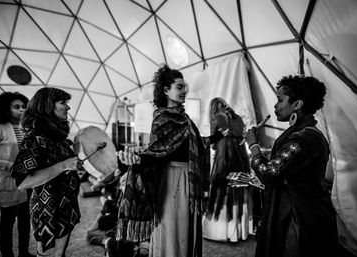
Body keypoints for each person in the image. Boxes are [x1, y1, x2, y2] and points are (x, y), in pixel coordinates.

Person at [116, 64, 227, 257]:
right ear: (166, 90)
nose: (184, 91)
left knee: (187, 228)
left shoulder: (185, 119)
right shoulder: (162, 118)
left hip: (189, 182)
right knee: (174, 228)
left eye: (184, 87)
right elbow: (156, 153)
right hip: (173, 182)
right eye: (179, 87)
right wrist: (135, 159)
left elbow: (196, 144)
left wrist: (216, 136)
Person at [245, 75, 338, 257]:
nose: (275, 106)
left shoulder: (304, 138)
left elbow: (269, 172)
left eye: (280, 100)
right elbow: (286, 172)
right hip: (301, 212)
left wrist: (254, 145)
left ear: (297, 104)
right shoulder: (302, 134)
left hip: (298, 219)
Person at [10, 88, 83, 257]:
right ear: (48, 106)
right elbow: (23, 182)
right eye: (63, 103)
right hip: (49, 210)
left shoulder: (59, 138)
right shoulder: (35, 138)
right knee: (47, 255)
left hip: (66, 207)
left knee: (59, 255)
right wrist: (64, 165)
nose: (68, 107)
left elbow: (66, 167)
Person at [0, 92, 34, 257]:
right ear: (6, 109)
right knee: (7, 221)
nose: (21, 110)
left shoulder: (26, 128)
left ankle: (24, 253)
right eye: (16, 107)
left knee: (25, 220)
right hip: (8, 182)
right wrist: (7, 165)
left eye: (23, 106)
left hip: (28, 181)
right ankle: (7, 254)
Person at [202, 97, 252, 242]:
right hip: (241, 159)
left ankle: (220, 232)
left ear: (213, 109)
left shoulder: (218, 117)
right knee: (239, 189)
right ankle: (238, 232)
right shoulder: (238, 118)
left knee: (220, 190)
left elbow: (212, 144)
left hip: (224, 158)